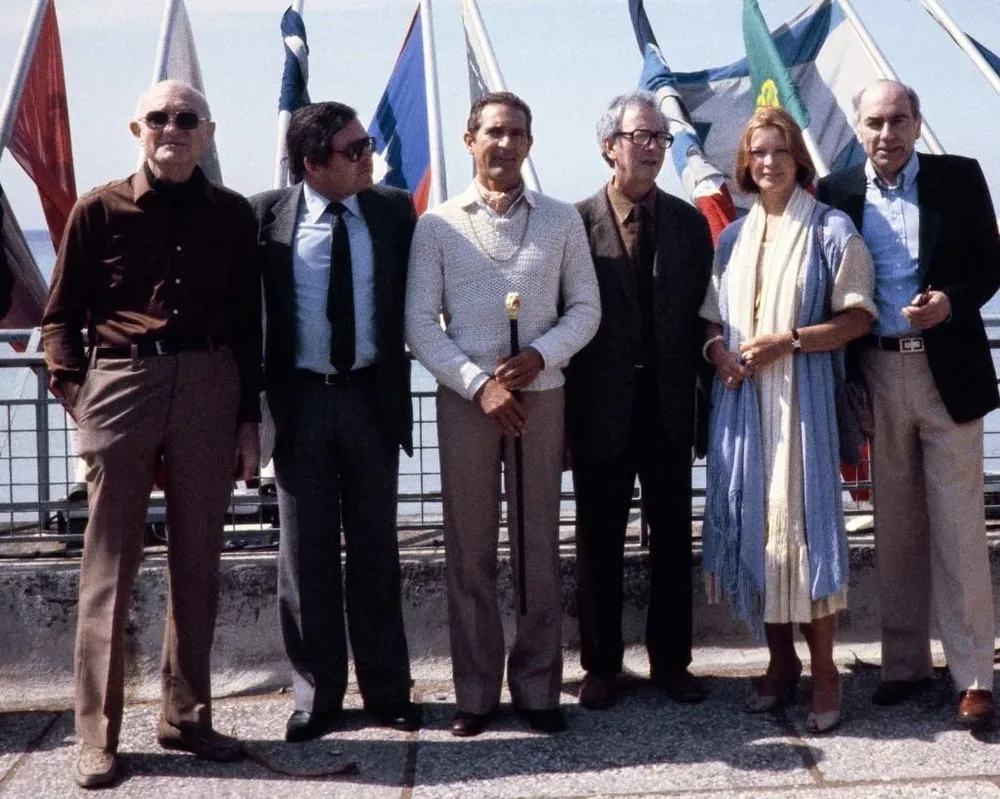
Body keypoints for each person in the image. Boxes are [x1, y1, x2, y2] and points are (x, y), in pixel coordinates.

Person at [41, 80, 261, 789]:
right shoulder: (97, 210)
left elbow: (247, 322)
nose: (174, 127)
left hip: (208, 385)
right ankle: (96, 736)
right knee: (108, 568)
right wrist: (82, 396)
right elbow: (58, 316)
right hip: (122, 385)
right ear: (137, 126)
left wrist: (247, 416)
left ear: (208, 130)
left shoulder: (232, 215)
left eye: (187, 118)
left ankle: (186, 717)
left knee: (200, 560)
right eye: (160, 117)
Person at [406, 91, 601, 737]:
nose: (505, 143)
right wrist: (476, 383)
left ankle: (539, 689)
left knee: (537, 546)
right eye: (493, 132)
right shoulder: (437, 224)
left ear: (529, 142)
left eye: (517, 132)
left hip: (542, 401)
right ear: (470, 141)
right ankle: (475, 692)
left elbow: (586, 310)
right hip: (468, 406)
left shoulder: (560, 219)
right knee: (470, 552)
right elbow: (419, 324)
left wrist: (542, 356)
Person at [818, 80, 1000, 730]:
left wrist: (951, 300)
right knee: (895, 527)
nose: (887, 133)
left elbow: (991, 266)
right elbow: (828, 292)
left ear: (918, 125)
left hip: (947, 374)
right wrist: (845, 378)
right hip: (877, 373)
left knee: (959, 529)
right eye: (874, 122)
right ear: (859, 130)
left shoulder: (959, 178)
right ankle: (903, 665)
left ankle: (974, 674)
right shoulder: (836, 191)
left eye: (898, 120)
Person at [249, 101, 420, 742]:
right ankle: (316, 695)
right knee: (305, 556)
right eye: (353, 150)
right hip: (300, 404)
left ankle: (387, 691)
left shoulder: (394, 211)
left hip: (370, 400)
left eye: (367, 143)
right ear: (313, 163)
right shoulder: (264, 217)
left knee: (376, 549)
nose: (367, 156)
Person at [701, 106, 875, 735]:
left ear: (799, 158)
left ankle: (825, 669)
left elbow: (859, 317)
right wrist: (717, 351)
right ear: (744, 165)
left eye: (778, 150)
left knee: (805, 533)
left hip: (804, 404)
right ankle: (779, 663)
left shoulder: (832, 230)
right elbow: (713, 321)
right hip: (743, 406)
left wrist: (791, 342)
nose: (767, 162)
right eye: (756, 153)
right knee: (755, 527)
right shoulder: (731, 238)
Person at [565, 90, 713, 710]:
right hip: (600, 406)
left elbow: (706, 315)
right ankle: (601, 665)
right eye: (641, 137)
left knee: (674, 537)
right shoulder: (573, 223)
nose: (653, 148)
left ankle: (672, 662)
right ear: (610, 146)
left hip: (670, 404)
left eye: (661, 138)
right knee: (599, 538)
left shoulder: (688, 224)